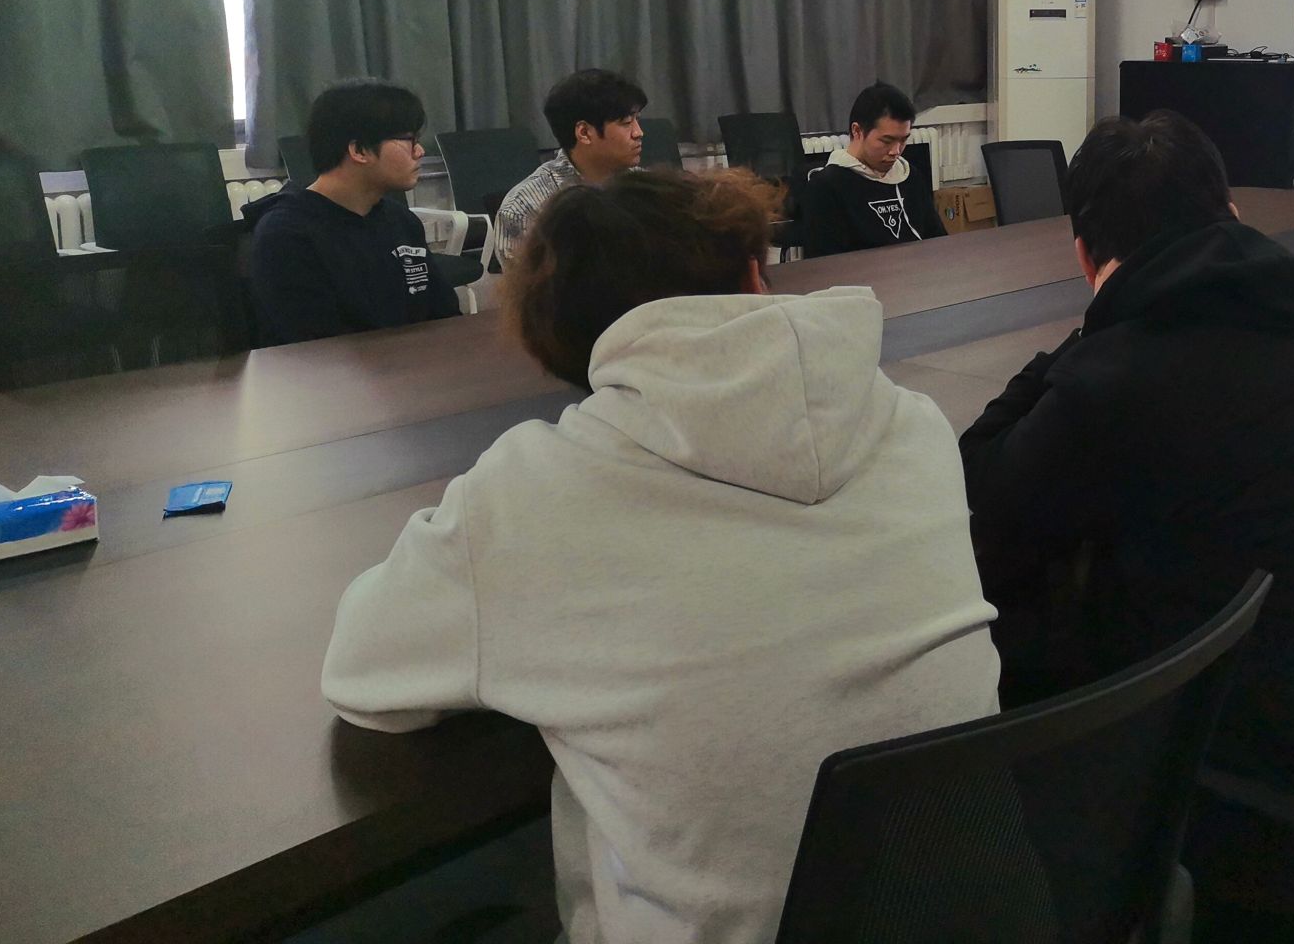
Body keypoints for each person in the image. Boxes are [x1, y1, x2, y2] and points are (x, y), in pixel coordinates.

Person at [321, 167, 1001, 943]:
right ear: (754, 277)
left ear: (561, 341)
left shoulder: (529, 495)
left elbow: (362, 675)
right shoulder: (915, 424)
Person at [958, 111, 1294, 810]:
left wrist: (1083, 339)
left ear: (1084, 257)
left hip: (1292, 730)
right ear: (1230, 213)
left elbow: (986, 488)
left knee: (1024, 599)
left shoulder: (1123, 370)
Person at [244, 79, 460, 344]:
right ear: (359, 150)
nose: (420, 151)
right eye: (408, 140)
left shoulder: (400, 221)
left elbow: (445, 315)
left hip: (411, 363)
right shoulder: (286, 235)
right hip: (338, 369)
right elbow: (313, 346)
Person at [492, 68, 646, 269]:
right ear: (584, 133)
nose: (639, 133)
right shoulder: (525, 208)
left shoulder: (645, 188)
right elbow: (529, 286)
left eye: (637, 120)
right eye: (626, 122)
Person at [800, 81, 946, 258]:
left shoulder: (910, 176)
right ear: (857, 131)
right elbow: (823, 263)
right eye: (886, 141)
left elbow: (937, 239)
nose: (896, 151)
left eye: (903, 140)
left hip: (918, 270)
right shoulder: (827, 186)